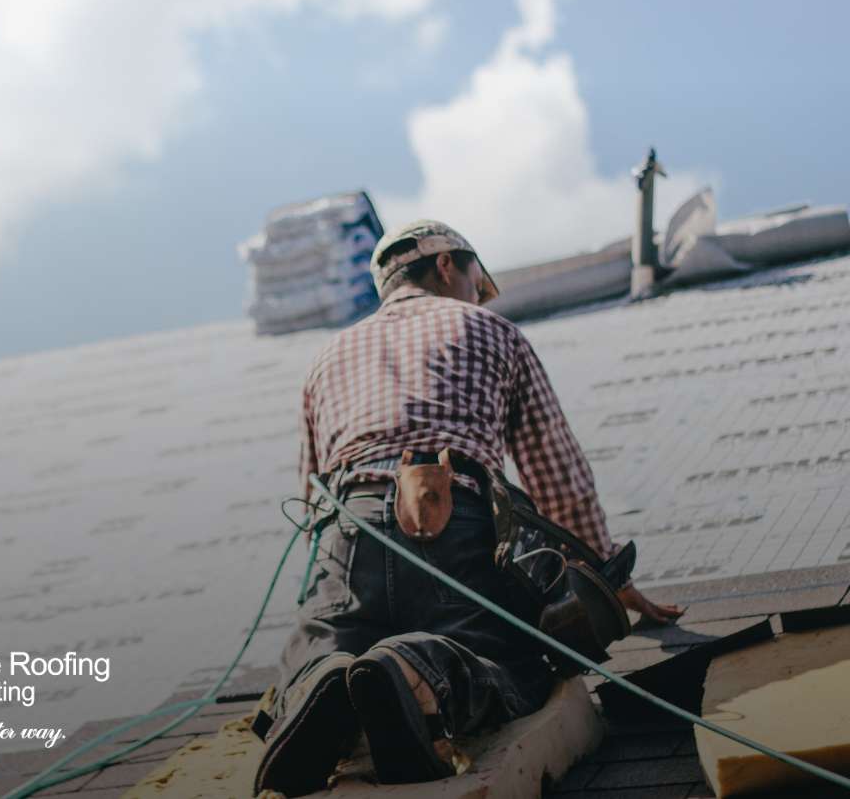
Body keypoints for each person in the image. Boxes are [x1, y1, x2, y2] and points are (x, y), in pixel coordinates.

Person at [254, 219, 682, 796]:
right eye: (478, 280)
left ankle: (320, 683)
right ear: (449, 266)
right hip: (456, 516)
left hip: (347, 528)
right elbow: (556, 472)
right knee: (500, 654)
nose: (480, 294)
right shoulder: (489, 329)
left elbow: (310, 494)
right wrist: (605, 576)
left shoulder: (327, 357)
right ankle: (411, 671)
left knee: (328, 642)